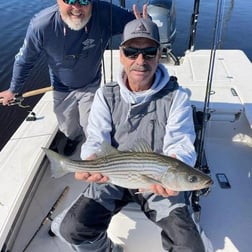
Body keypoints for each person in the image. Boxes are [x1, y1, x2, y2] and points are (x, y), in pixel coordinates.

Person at [50, 18, 212, 252]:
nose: (140, 60)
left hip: (158, 184)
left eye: (148, 52)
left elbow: (181, 144)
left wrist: (182, 164)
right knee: (71, 230)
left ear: (159, 55)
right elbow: (97, 138)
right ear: (121, 54)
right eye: (131, 51)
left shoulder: (178, 97)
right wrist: (91, 159)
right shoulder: (106, 94)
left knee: (190, 247)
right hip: (112, 175)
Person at [0, 0, 147, 156]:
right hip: (60, 85)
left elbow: (137, 24)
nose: (77, 7)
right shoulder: (41, 25)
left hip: (91, 83)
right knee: (67, 124)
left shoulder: (105, 13)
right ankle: (73, 138)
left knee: (91, 124)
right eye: (69, 0)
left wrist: (145, 27)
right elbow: (24, 60)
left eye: (84, 0)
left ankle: (96, 155)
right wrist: (13, 89)